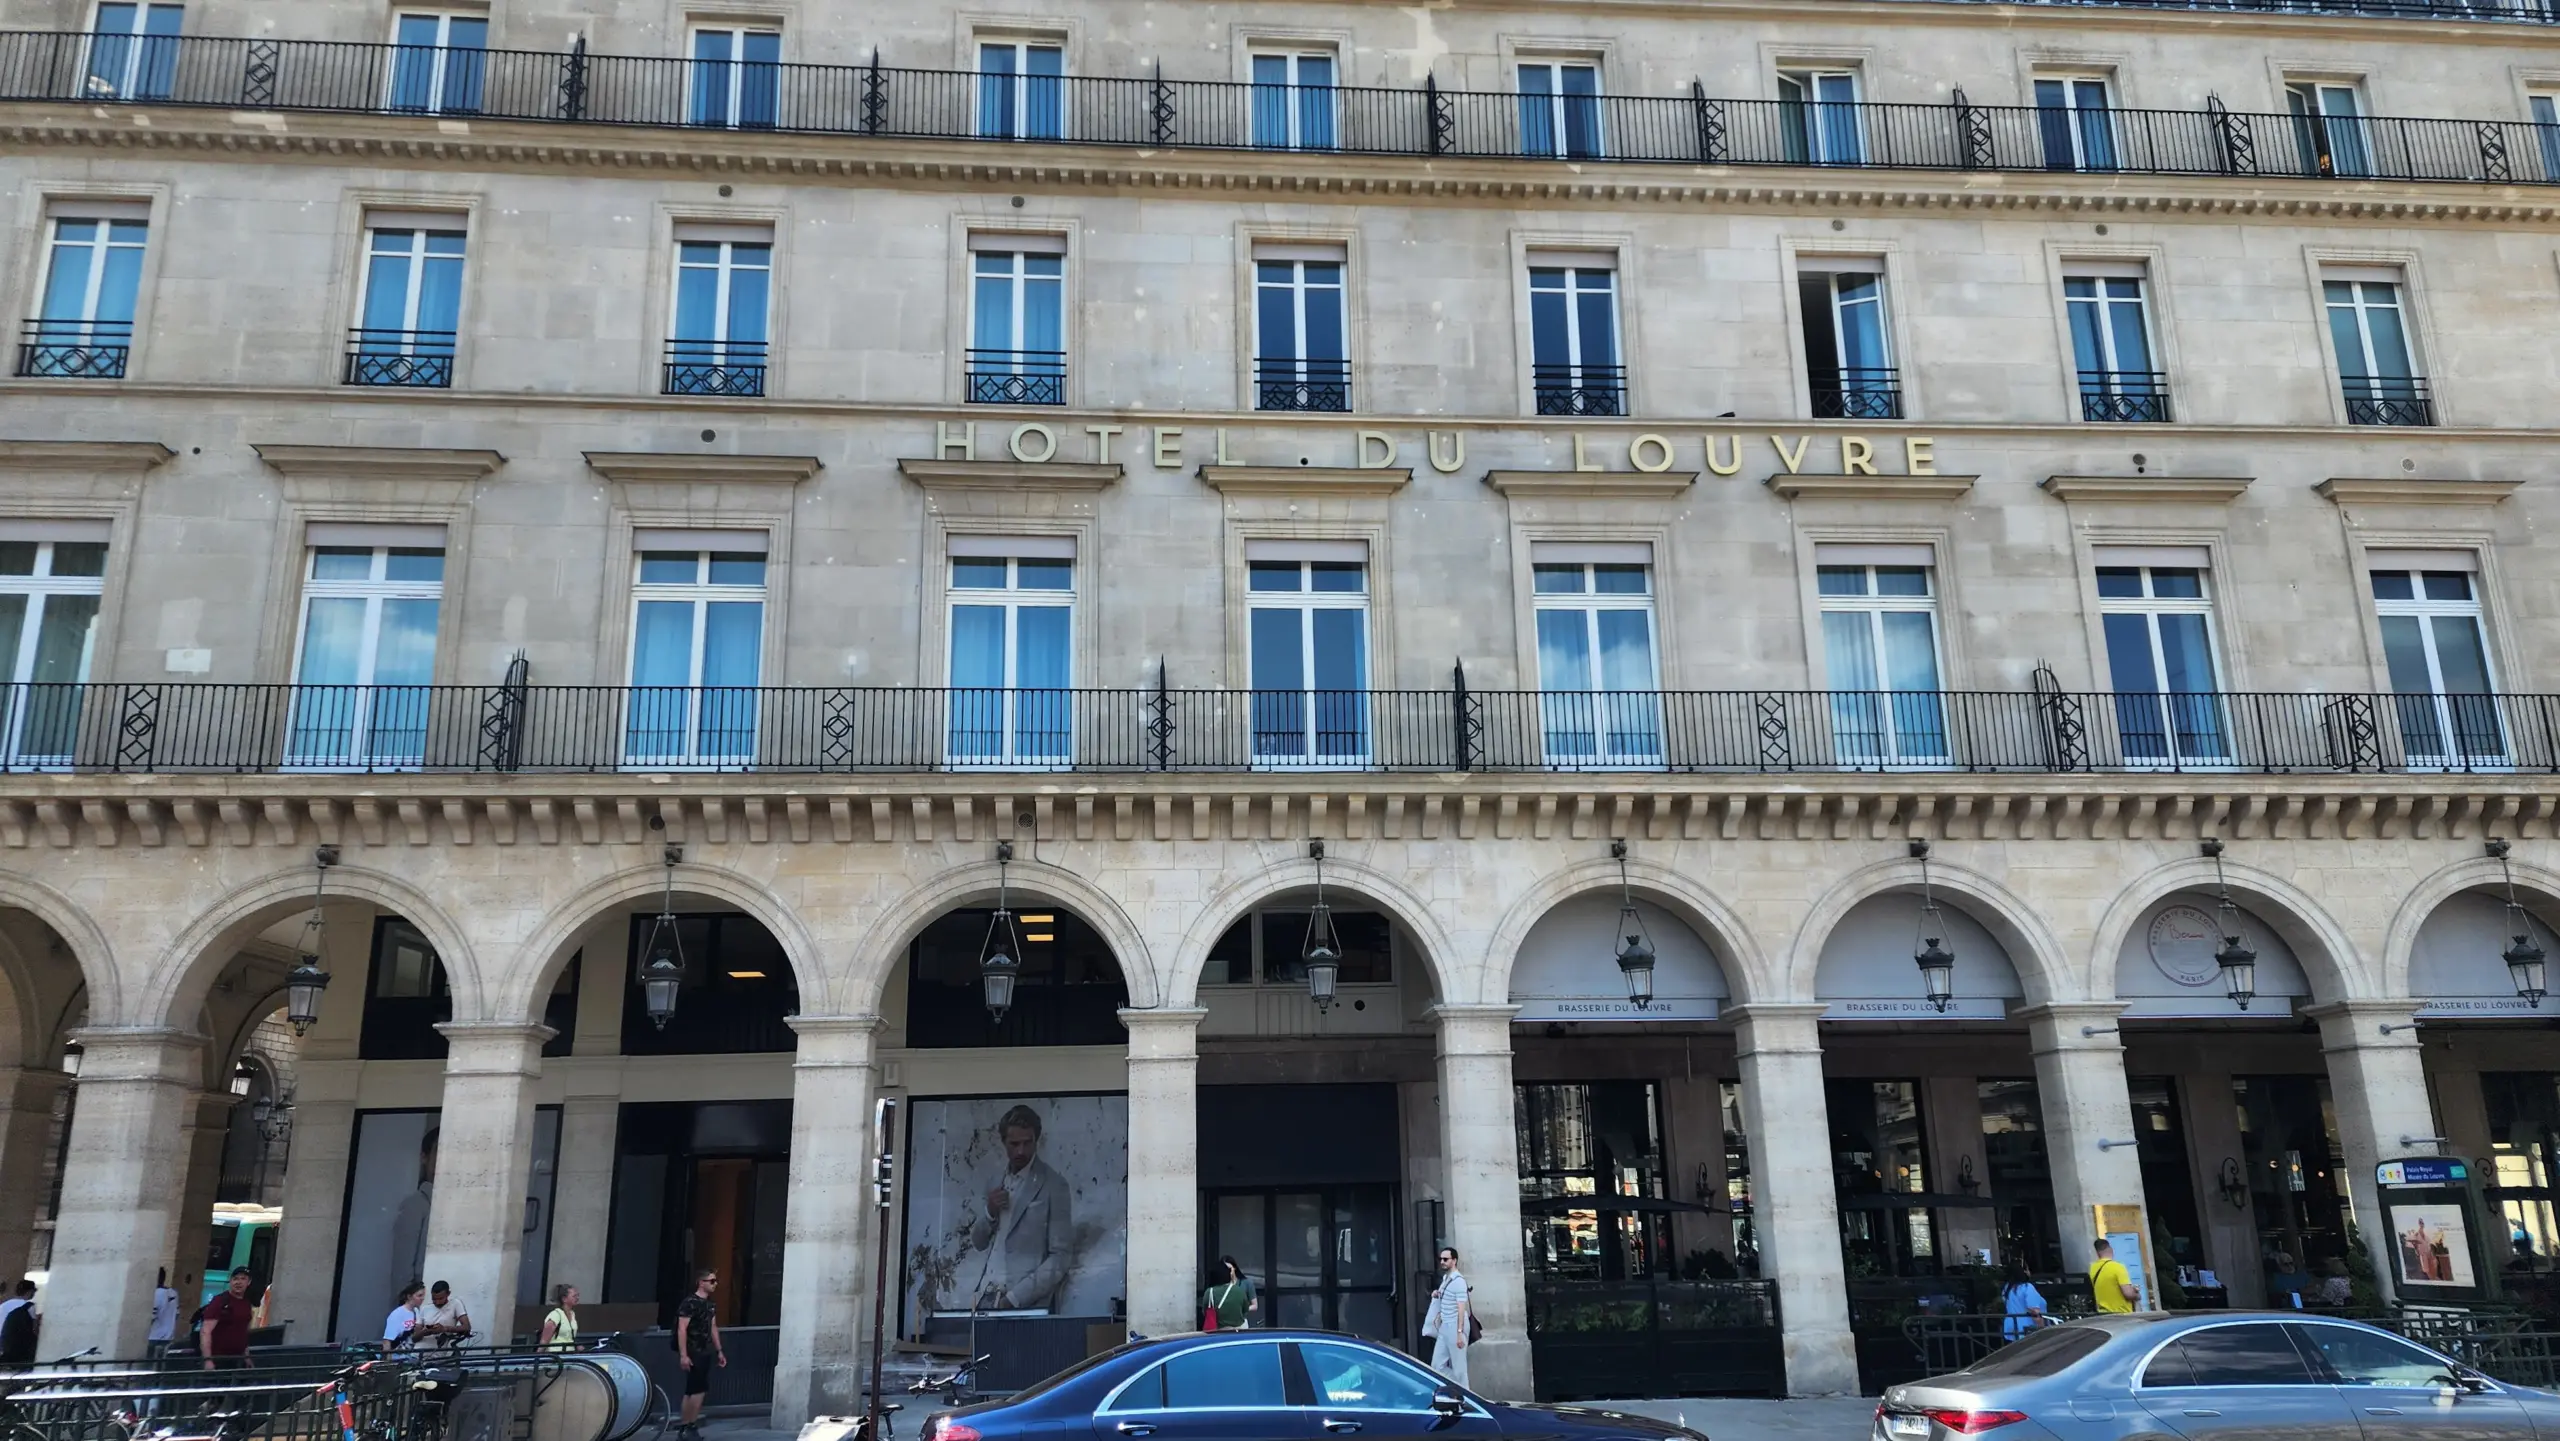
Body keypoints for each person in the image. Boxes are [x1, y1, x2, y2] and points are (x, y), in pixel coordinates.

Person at [964, 1104, 1074, 1312]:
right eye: (1014, 1144)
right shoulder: (995, 1181)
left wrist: (1015, 1298)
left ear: (1036, 1141)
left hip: (1026, 1303)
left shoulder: (1053, 1185)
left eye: (1027, 1143)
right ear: (1003, 1142)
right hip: (986, 1295)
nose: (1021, 1151)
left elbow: (1060, 1258)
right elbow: (978, 1242)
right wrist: (990, 1211)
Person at [673, 1270, 726, 1439]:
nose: (715, 1284)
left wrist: (719, 1350)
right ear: (701, 1282)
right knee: (697, 1390)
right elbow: (682, 1329)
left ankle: (686, 1427)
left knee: (694, 1389)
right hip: (694, 1350)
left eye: (715, 1281)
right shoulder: (690, 1303)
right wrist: (684, 1354)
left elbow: (713, 1327)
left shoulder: (710, 1305)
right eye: (711, 1281)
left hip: (705, 1349)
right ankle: (689, 1426)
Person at [1422, 1247, 1470, 1385]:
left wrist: (1460, 1333)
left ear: (1454, 1261)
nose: (1442, 1262)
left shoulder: (1459, 1281)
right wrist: (1437, 1293)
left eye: (1445, 1259)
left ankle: (1466, 1399)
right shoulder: (1446, 1278)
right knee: (1437, 1366)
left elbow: (1461, 1308)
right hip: (1445, 1326)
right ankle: (1459, 1388)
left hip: (1456, 1326)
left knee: (1460, 1369)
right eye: (1441, 1259)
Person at [199, 1267, 257, 1368]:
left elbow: (243, 1333)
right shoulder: (220, 1301)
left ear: (249, 1282)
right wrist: (207, 1360)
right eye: (235, 1279)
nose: (238, 1282)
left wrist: (247, 1357)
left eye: (243, 1279)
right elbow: (206, 1331)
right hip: (218, 1359)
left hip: (238, 1360)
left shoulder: (246, 1304)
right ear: (230, 1281)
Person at [1200, 1255, 1256, 1330]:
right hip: (1239, 1328)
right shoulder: (1239, 1291)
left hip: (1218, 1329)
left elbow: (1205, 1311)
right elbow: (1245, 1309)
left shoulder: (1209, 1292)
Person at [2089, 1239, 2140, 1314]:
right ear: (2111, 1250)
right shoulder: (2118, 1267)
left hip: (2103, 1314)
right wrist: (2136, 1294)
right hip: (2121, 1315)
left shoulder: (2092, 1268)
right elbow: (2128, 1294)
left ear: (2097, 1253)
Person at [417, 1280, 471, 1351]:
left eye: (441, 1298)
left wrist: (444, 1329)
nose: (437, 1302)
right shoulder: (425, 1309)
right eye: (434, 1299)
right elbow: (414, 1337)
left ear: (448, 1294)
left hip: (437, 1357)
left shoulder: (455, 1304)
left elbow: (466, 1327)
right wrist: (425, 1332)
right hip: (417, 1352)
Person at [1999, 1261, 2048, 1339]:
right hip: (2027, 1328)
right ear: (2024, 1271)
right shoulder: (2027, 1287)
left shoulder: (2006, 1289)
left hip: (2011, 1327)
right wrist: (2042, 1328)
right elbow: (2034, 1311)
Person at [0, 1280, 38, 1366]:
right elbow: (33, 1328)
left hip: (3, 1344)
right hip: (16, 1348)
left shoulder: (3, 1305)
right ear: (30, 1292)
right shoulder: (27, 1306)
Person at [147, 1268, 181, 1356]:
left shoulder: (156, 1293)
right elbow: (177, 1314)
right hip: (168, 1336)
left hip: (153, 1336)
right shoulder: (173, 1293)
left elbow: (151, 1317)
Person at [383, 1281, 426, 1350]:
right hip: (396, 1354)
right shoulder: (397, 1314)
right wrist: (388, 1360)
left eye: (423, 1295)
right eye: (419, 1296)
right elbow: (387, 1341)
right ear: (409, 1296)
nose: (422, 1298)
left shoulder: (416, 1311)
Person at [538, 1284, 579, 1351]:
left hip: (570, 1354)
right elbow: (544, 1341)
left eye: (577, 1295)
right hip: (555, 1355)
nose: (577, 1298)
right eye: (574, 1296)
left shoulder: (572, 1314)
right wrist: (538, 1357)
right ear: (564, 1299)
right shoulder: (555, 1315)